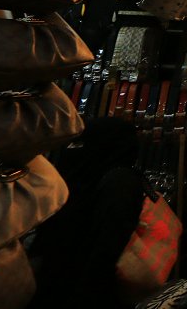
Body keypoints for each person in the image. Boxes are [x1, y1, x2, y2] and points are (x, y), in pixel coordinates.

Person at [30, 118, 147, 308]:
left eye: (79, 144)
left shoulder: (119, 184)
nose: (74, 150)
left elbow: (105, 252)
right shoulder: (84, 180)